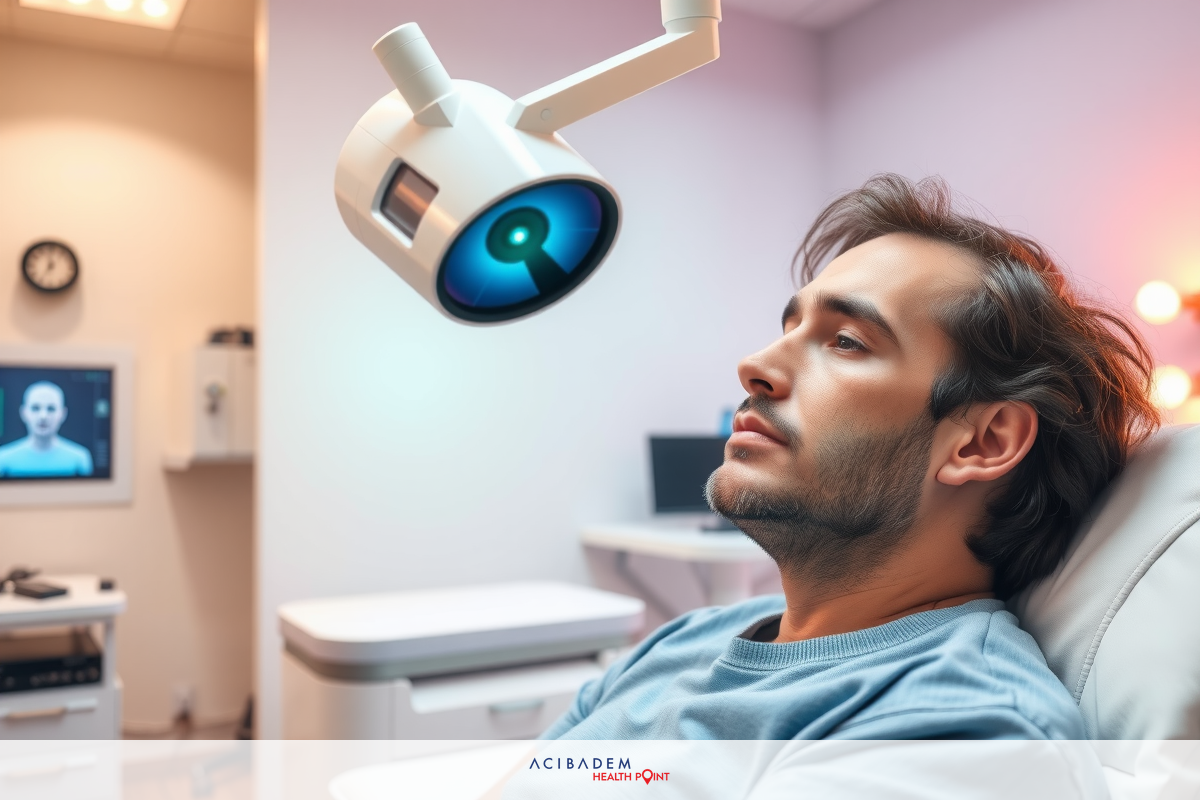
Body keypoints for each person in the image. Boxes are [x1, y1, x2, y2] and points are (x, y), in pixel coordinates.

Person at [543, 174, 1159, 740]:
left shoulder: (956, 725)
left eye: (845, 341)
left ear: (982, 442)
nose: (754, 365)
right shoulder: (682, 640)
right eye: (789, 328)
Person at [0, 381, 94, 478]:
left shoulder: (79, 458)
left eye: (51, 409)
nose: (43, 416)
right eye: (35, 408)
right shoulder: (3, 458)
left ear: (63, 414)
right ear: (24, 413)